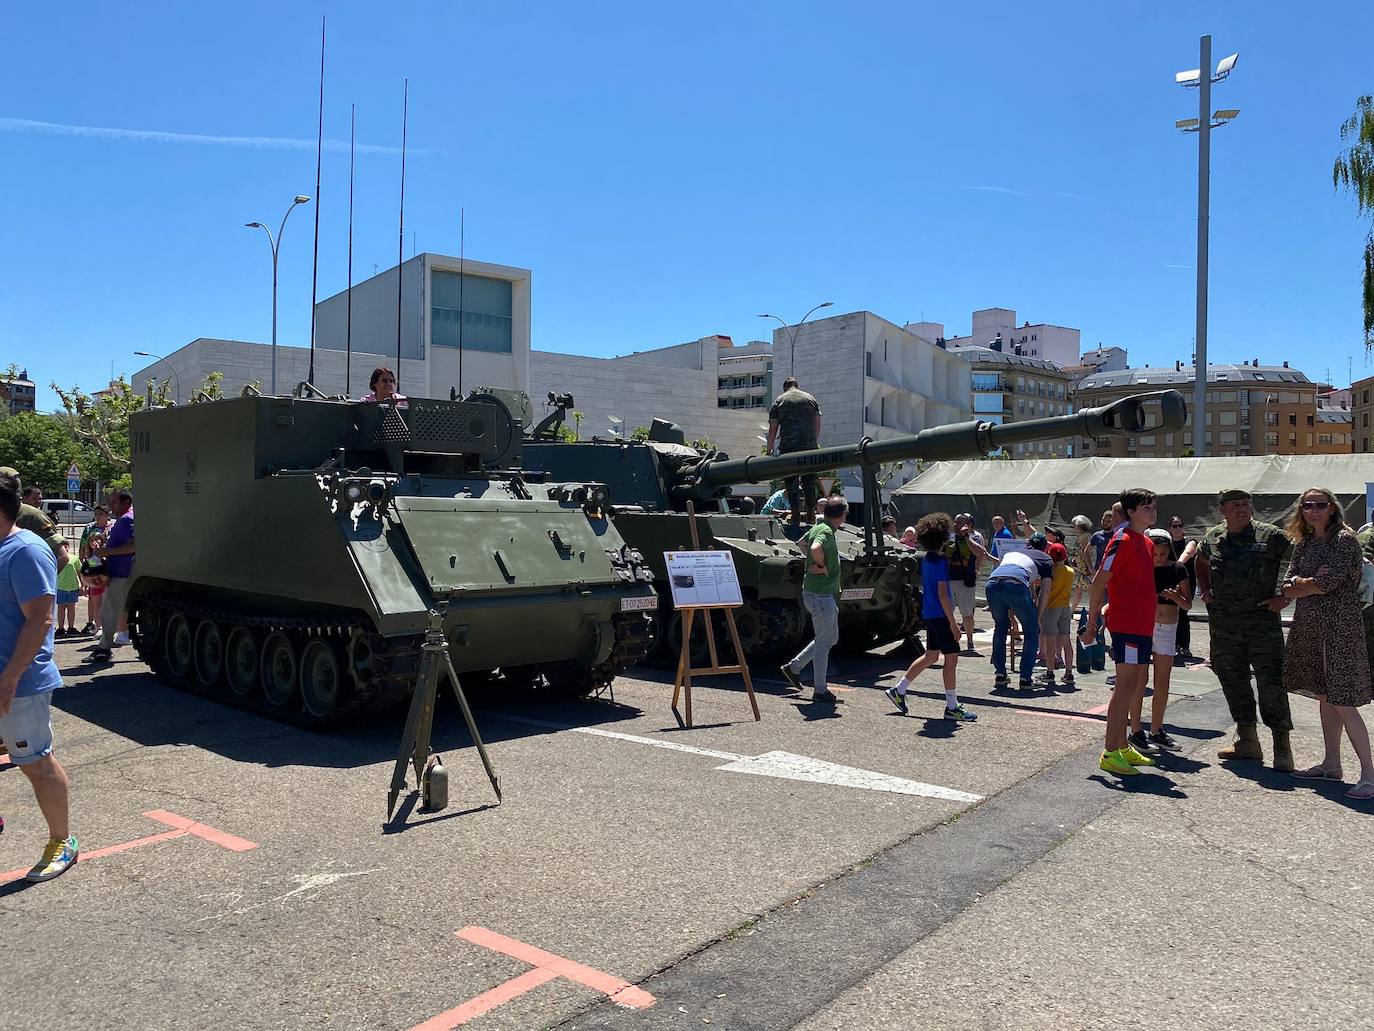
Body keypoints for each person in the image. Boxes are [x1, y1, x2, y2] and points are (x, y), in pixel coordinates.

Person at [0, 469, 78, 881]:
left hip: (19, 683)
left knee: (35, 762)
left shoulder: (25, 551)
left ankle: (62, 841)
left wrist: (10, 677)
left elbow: (40, 620)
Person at [1281, 488, 1374, 798]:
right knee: (1324, 695)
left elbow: (1327, 582)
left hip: (1339, 628)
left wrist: (1306, 584)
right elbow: (1288, 583)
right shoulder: (1305, 543)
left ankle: (1369, 776)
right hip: (1311, 626)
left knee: (1342, 698)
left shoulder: (1344, 540)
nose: (1314, 510)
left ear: (1332, 508)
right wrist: (1304, 584)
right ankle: (1331, 765)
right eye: (1308, 505)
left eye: (1320, 505)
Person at [1195, 488, 1294, 770]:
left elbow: (1296, 562)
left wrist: (1285, 596)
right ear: (1222, 510)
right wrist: (1205, 589)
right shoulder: (1213, 537)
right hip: (1224, 625)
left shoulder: (1271, 535)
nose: (1242, 509)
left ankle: (1281, 747)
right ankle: (1247, 741)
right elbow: (1200, 562)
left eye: (1246, 504)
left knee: (1271, 683)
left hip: (1262, 624)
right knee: (1232, 680)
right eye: (1235, 505)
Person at [1081, 488, 1160, 777]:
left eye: (1153, 505)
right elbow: (1099, 582)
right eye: (1146, 507)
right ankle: (1110, 753)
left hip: (1142, 624)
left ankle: (1123, 744)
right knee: (1124, 687)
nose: (1153, 510)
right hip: (1126, 625)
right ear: (1130, 512)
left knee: (1136, 683)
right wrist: (1091, 624)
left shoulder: (1147, 542)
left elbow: (1133, 583)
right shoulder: (1122, 540)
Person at [884, 513, 976, 722]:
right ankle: (952, 706)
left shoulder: (926, 560)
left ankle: (899, 690)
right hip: (941, 616)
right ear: (942, 538)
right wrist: (953, 624)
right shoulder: (941, 562)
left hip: (931, 614)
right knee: (951, 659)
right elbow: (943, 594)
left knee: (931, 656)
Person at [1127, 528, 1191, 753]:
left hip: (1168, 628)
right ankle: (1136, 731)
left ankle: (1157, 729)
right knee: (1139, 681)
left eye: (1163, 554)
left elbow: (1188, 604)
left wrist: (1175, 597)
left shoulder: (1178, 569)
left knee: (1162, 682)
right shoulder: (1141, 568)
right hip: (1144, 626)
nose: (1159, 558)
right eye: (1155, 554)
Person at [780, 497, 848, 703]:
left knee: (829, 639)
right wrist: (820, 565)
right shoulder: (826, 532)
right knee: (824, 642)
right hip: (821, 595)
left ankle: (794, 667)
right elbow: (815, 548)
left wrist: (813, 562)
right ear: (841, 515)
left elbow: (801, 543)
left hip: (817, 593)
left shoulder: (820, 527)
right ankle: (820, 689)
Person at [973, 528, 1051, 689]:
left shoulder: (1012, 553)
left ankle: (1000, 673)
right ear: (1044, 547)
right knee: (1031, 631)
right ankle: (1025, 678)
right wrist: (1038, 617)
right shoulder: (1045, 559)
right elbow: (1045, 591)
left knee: (1001, 628)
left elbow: (1006, 570)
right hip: (1016, 585)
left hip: (993, 583)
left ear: (1027, 544)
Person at [85, 490, 134, 664]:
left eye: (113, 502)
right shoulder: (125, 519)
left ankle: (104, 649)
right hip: (118, 572)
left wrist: (107, 551)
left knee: (109, 612)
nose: (110, 506)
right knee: (110, 610)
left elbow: (134, 545)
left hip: (123, 573)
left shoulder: (128, 519)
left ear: (126, 501)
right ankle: (104, 647)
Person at [765, 377, 822, 526]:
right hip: (809, 447)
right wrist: (813, 442)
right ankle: (811, 516)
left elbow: (773, 428)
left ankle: (796, 516)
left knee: (791, 483)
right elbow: (817, 423)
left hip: (789, 447)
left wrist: (769, 449)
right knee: (810, 482)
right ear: (797, 386)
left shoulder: (780, 400)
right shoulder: (810, 398)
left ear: (785, 388)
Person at [943, 514, 984, 653]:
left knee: (967, 613)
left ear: (968, 524)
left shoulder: (975, 537)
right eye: (955, 522)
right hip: (948, 579)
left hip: (965, 580)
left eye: (960, 522)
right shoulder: (948, 537)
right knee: (947, 611)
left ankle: (970, 642)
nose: (956, 524)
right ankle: (949, 639)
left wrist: (966, 536)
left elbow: (979, 552)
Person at [1037, 542, 1074, 688]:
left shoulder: (1049, 572)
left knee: (1050, 642)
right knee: (1066, 640)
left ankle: (1050, 672)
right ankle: (1069, 672)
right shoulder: (1071, 571)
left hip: (1051, 608)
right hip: (1065, 607)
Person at [1166, 516, 1199, 661]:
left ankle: (1184, 646)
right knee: (1170, 612)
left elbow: (1188, 553)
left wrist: (1177, 565)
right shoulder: (1166, 544)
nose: (1177, 528)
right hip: (1169, 581)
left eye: (1180, 525)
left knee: (1183, 613)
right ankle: (1172, 645)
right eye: (1174, 526)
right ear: (1169, 528)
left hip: (1186, 582)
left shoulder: (1190, 541)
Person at [79, 505, 110, 635]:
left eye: (101, 514)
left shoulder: (112, 527)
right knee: (94, 599)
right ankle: (94, 624)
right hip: (93, 567)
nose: (98, 516)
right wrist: (83, 563)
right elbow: (83, 546)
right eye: (96, 514)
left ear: (107, 515)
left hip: (109, 567)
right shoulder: (89, 527)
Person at [54, 533, 80, 637]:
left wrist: (82, 584)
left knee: (71, 607)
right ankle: (60, 628)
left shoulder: (74, 558)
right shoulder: (56, 559)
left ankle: (71, 627)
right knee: (61, 608)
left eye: (66, 546)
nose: (64, 548)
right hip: (60, 587)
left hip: (73, 586)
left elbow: (79, 571)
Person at [1069, 514, 1095, 612]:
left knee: (1090, 591)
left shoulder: (1084, 537)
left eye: (1074, 525)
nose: (1073, 527)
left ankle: (1095, 611)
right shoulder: (1082, 536)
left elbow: (1086, 552)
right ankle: (1072, 610)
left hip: (1085, 569)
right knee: (1078, 590)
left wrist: (1089, 568)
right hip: (1081, 569)